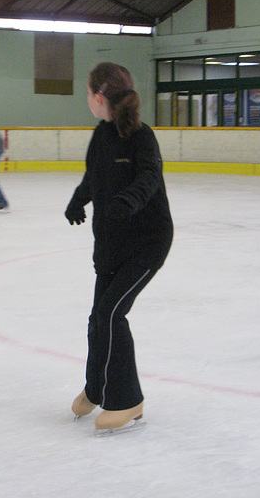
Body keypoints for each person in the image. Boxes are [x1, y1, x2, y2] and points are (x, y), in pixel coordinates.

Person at [65, 62, 173, 435]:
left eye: (87, 93)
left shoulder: (142, 137)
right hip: (111, 243)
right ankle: (96, 389)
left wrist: (130, 200)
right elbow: (93, 175)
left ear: (98, 97)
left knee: (111, 313)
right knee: (98, 317)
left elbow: (150, 175)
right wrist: (79, 199)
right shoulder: (102, 135)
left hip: (147, 242)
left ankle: (127, 400)